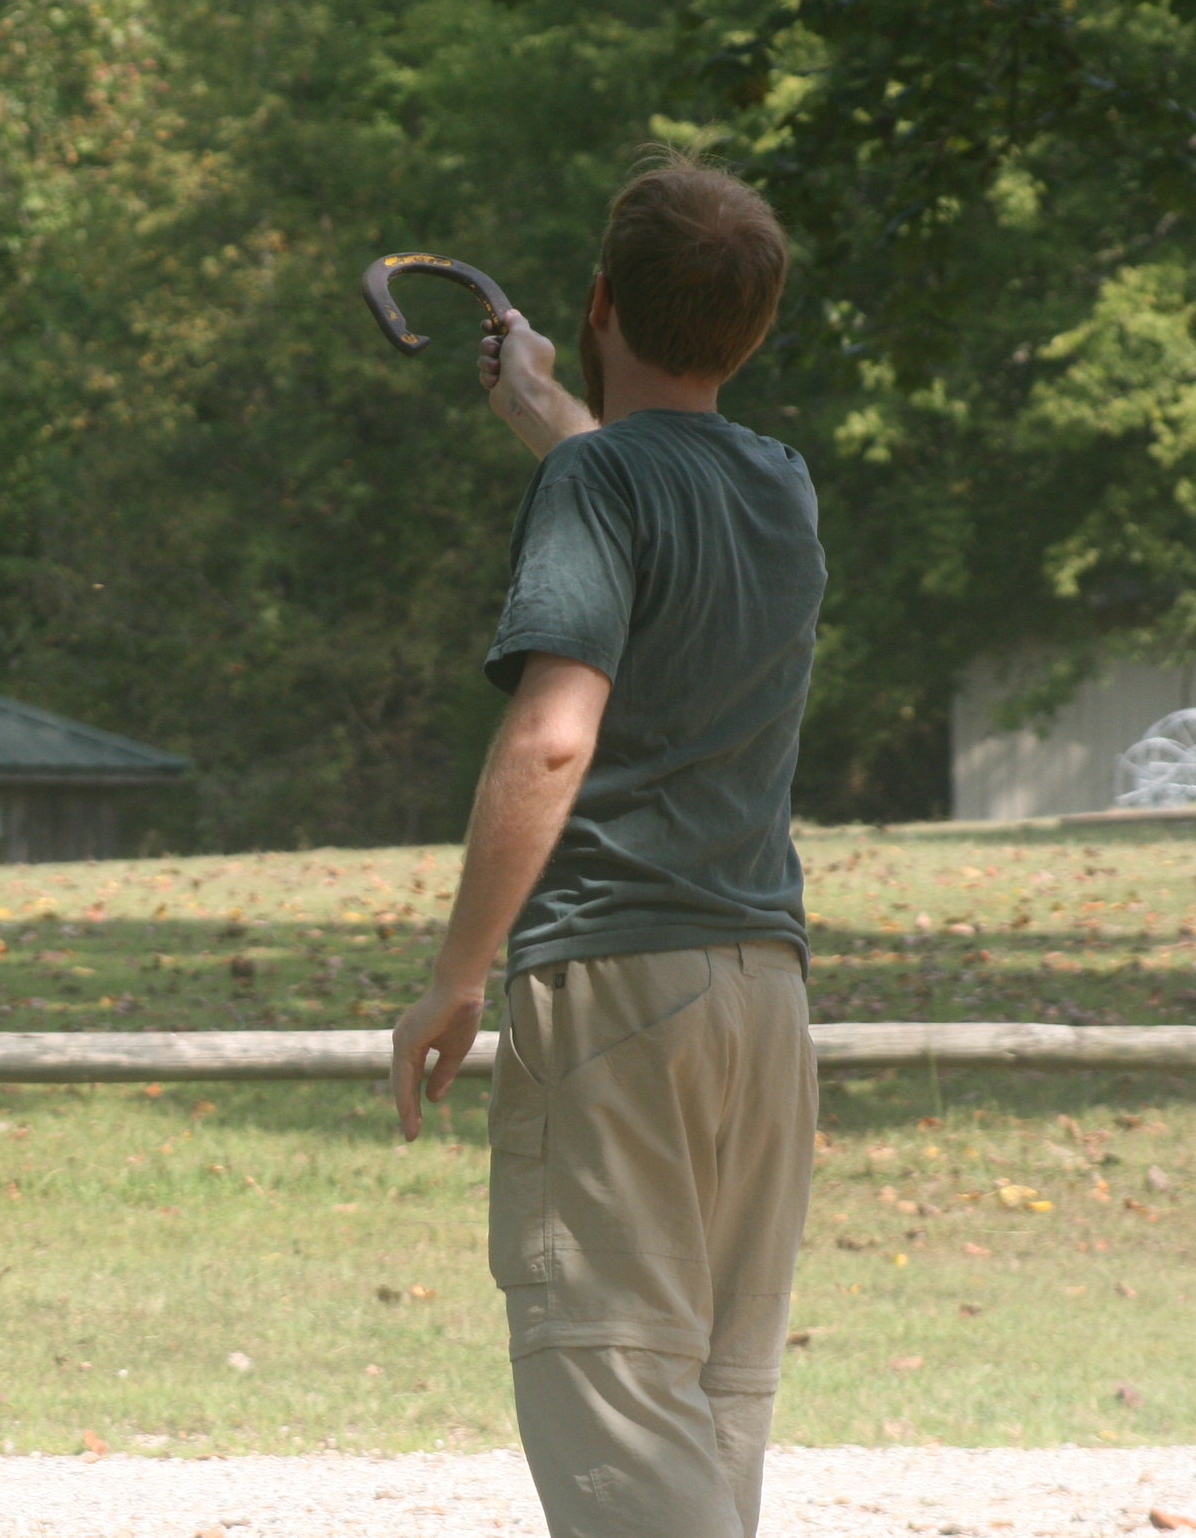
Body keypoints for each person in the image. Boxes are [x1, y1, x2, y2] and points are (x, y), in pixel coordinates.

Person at [389, 150, 825, 1538]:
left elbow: (553, 737)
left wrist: (458, 975)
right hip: (763, 995)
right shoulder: (783, 488)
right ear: (752, 330)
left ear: (597, 302)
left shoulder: (595, 487)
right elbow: (649, 479)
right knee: (711, 1409)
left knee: (625, 1426)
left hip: (619, 986)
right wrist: (560, 422)